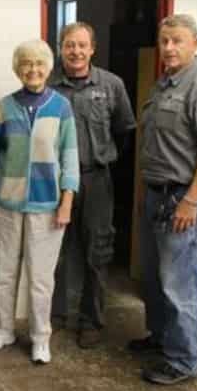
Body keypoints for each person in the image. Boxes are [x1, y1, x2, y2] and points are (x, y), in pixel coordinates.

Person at [131, 14, 197, 385]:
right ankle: (162, 339)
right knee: (156, 279)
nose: (169, 48)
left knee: (180, 283)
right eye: (165, 40)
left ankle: (184, 359)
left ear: (195, 44)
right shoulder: (163, 86)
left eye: (178, 41)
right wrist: (144, 192)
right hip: (158, 195)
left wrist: (191, 201)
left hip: (183, 199)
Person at [0, 39, 79, 364]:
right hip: (6, 203)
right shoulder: (4, 107)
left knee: (40, 278)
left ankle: (40, 338)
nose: (32, 70)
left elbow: (70, 156)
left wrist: (67, 201)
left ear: (48, 69)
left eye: (39, 64)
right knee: (4, 273)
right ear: (18, 69)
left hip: (47, 206)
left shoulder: (61, 106)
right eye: (26, 64)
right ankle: (4, 330)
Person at [48, 22, 136, 348]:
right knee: (54, 251)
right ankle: (55, 316)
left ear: (92, 48)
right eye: (69, 45)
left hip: (96, 178)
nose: (76, 51)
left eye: (82, 45)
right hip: (55, 182)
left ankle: (91, 320)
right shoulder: (49, 86)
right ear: (61, 48)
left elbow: (124, 130)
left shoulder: (111, 85)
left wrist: (100, 156)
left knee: (96, 252)